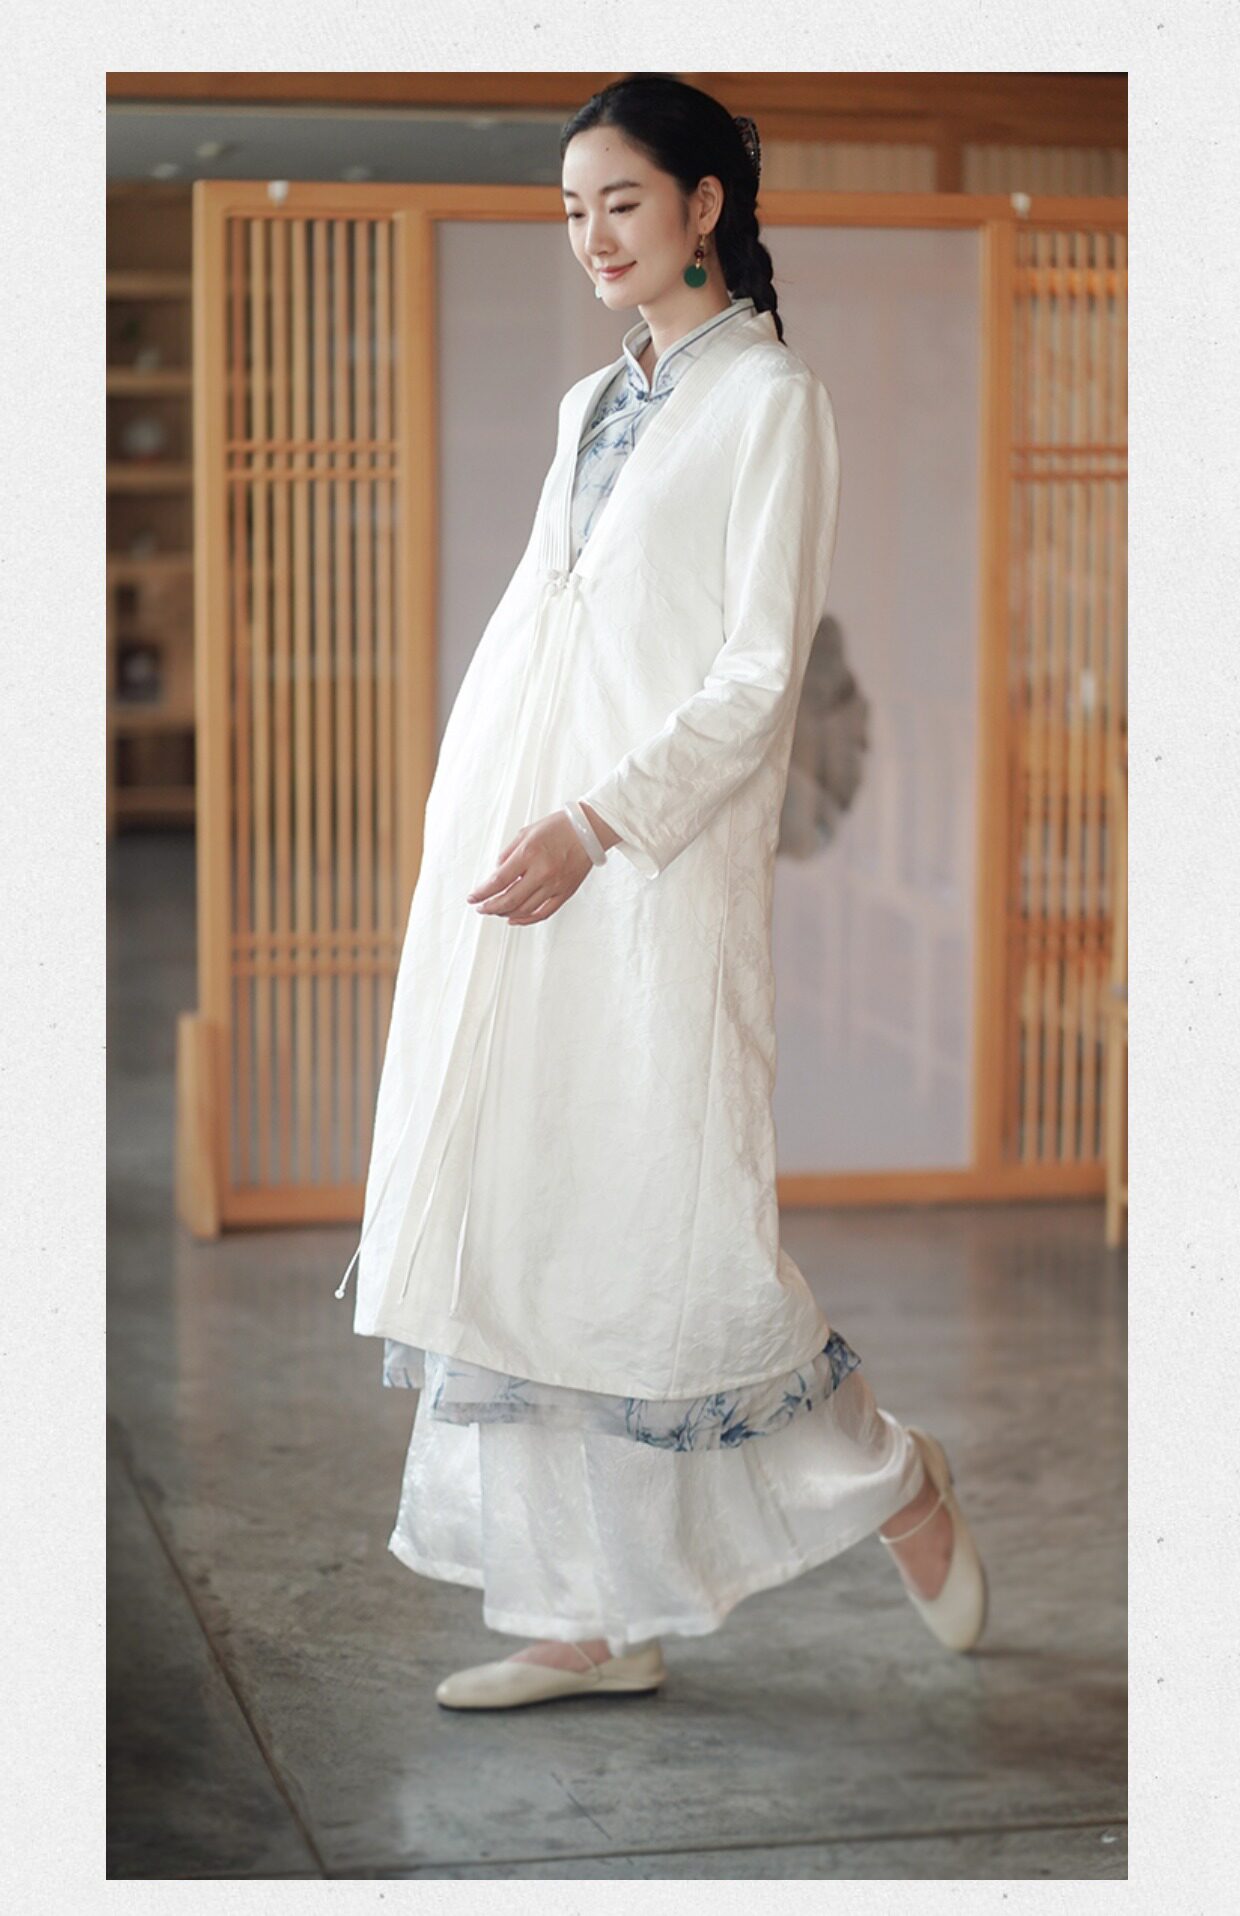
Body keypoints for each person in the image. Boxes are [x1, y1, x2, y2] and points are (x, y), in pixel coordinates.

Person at [335, 75, 988, 1709]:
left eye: (620, 200)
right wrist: (496, 821)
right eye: (572, 210)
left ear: (704, 205)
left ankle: (894, 1475)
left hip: (652, 866)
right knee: (544, 1211)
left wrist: (599, 824)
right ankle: (589, 1619)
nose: (592, 237)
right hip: (529, 870)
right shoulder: (588, 404)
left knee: (675, 1233)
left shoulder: (773, 401)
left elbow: (757, 678)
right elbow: (547, 628)